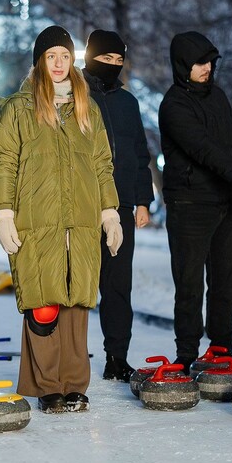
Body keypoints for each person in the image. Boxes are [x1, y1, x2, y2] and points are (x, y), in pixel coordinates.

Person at [0, 25, 121, 413]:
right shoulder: (19, 108)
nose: (60, 64)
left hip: (79, 223)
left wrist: (110, 213)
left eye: (65, 56)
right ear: (40, 62)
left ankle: (75, 384)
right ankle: (49, 386)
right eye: (52, 57)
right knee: (43, 306)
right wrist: (3, 213)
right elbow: (4, 161)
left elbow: (101, 163)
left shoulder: (87, 108)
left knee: (77, 304)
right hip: (36, 221)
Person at [158, 31, 232, 374]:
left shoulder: (218, 97)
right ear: (182, 65)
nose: (207, 68)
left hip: (227, 205)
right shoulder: (173, 104)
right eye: (199, 63)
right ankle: (186, 355)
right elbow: (203, 148)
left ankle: (221, 349)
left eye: (210, 62)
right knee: (189, 284)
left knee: (224, 283)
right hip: (190, 206)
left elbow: (231, 145)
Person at [82, 29, 155, 382]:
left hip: (122, 204)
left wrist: (143, 199)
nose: (112, 65)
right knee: (76, 284)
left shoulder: (128, 102)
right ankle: (70, 356)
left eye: (118, 60)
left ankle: (117, 356)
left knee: (117, 287)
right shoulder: (75, 95)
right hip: (81, 204)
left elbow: (141, 153)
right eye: (105, 59)